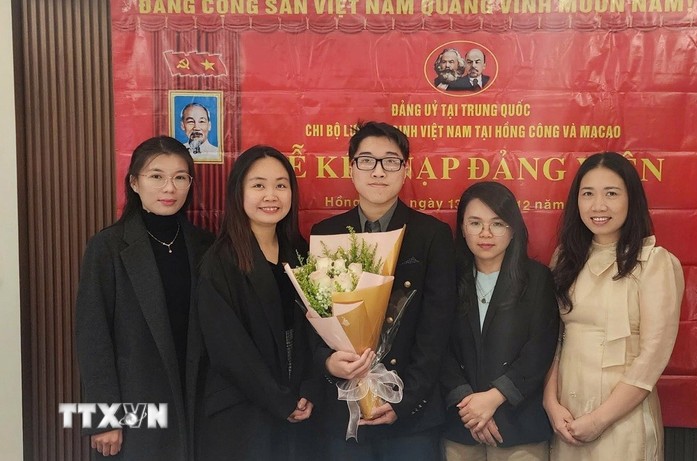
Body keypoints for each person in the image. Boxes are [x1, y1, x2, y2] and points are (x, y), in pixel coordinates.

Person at [311, 121, 457, 461]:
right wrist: (328, 362)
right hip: (344, 408)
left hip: (410, 416)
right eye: (366, 160)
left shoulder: (431, 234)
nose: (378, 171)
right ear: (351, 168)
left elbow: (436, 328)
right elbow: (312, 317)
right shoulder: (326, 233)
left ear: (406, 169)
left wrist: (404, 400)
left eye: (390, 161)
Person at [75, 136, 214, 459]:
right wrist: (104, 417)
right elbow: (92, 336)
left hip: (196, 400)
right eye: (156, 176)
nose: (169, 188)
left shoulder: (205, 245)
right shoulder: (108, 247)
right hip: (136, 404)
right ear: (134, 183)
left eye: (180, 177)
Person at [542, 152, 685, 460]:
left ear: (631, 199)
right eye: (588, 194)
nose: (598, 206)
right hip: (567, 415)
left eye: (611, 194)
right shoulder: (565, 258)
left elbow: (652, 358)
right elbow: (555, 340)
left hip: (622, 418)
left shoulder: (654, 262)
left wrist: (599, 420)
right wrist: (550, 403)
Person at [195, 146, 319, 460]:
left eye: (281, 185)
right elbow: (229, 350)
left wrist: (308, 389)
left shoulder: (301, 252)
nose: (271, 195)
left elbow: (315, 332)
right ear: (238, 192)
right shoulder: (220, 261)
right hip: (243, 412)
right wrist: (279, 400)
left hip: (297, 404)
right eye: (258, 185)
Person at [440, 182, 560, 461]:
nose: (486, 233)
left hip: (519, 425)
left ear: (513, 228)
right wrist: (470, 407)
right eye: (475, 223)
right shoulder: (447, 278)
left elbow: (540, 348)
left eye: (497, 223)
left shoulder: (537, 278)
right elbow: (437, 345)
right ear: (462, 228)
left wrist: (494, 398)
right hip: (462, 423)